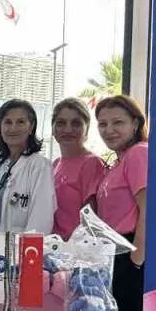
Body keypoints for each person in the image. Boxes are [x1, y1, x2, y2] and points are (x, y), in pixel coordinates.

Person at [94, 94, 149, 311]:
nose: (109, 130)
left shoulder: (139, 153)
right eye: (103, 124)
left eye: (118, 122)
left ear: (135, 123)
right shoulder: (119, 161)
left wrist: (136, 260)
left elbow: (148, 207)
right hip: (114, 255)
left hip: (129, 254)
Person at [0, 98, 55, 235]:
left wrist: (26, 249)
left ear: (31, 127)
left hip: (22, 246)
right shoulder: (1, 166)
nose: (13, 128)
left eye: (20, 122)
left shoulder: (40, 166)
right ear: (0, 127)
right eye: (7, 122)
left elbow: (41, 221)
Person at [50, 97, 107, 239]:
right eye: (61, 123)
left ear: (86, 129)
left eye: (76, 124)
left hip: (77, 248)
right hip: (54, 246)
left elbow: (91, 220)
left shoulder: (92, 163)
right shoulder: (55, 165)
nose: (68, 129)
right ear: (53, 129)